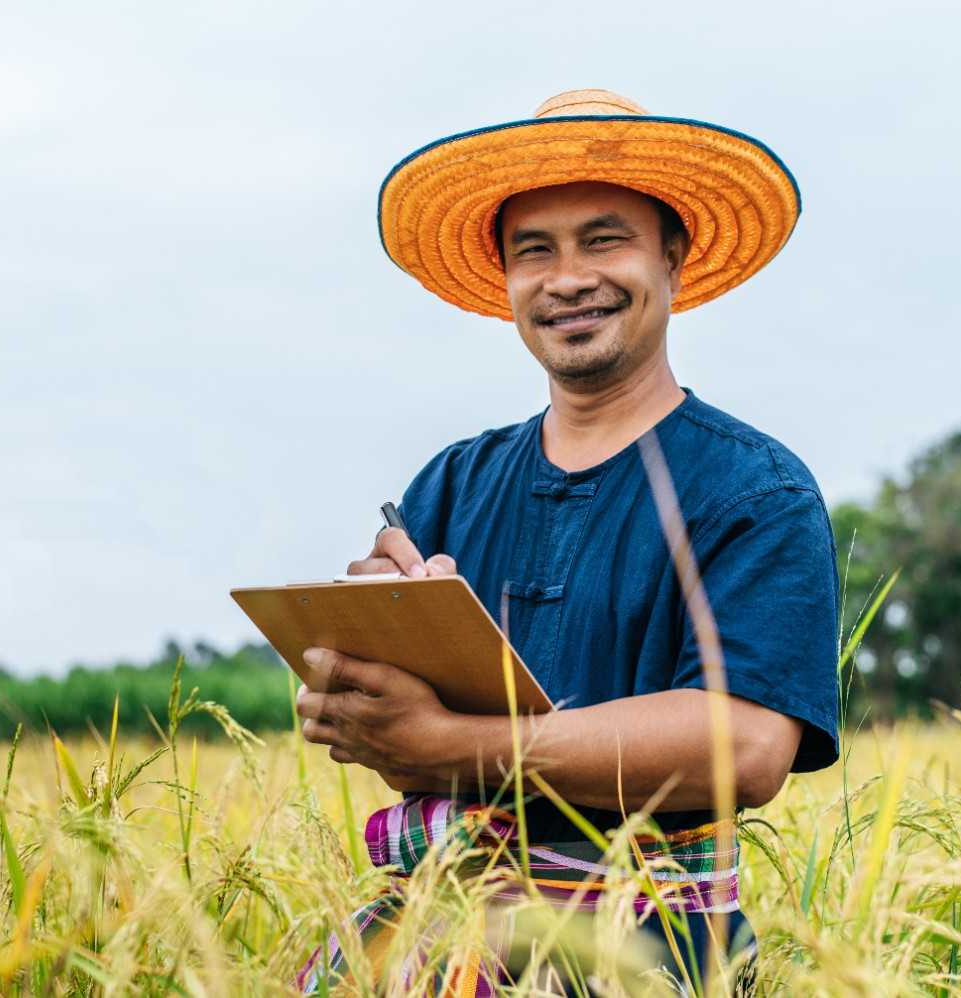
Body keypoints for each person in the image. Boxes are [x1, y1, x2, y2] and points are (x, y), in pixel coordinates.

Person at [294, 89, 840, 993]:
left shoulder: (756, 491)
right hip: (433, 920)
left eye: (604, 239)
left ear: (672, 256)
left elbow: (745, 746)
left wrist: (451, 744)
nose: (568, 277)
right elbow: (406, 745)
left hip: (643, 942)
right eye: (533, 251)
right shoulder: (452, 483)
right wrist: (357, 679)